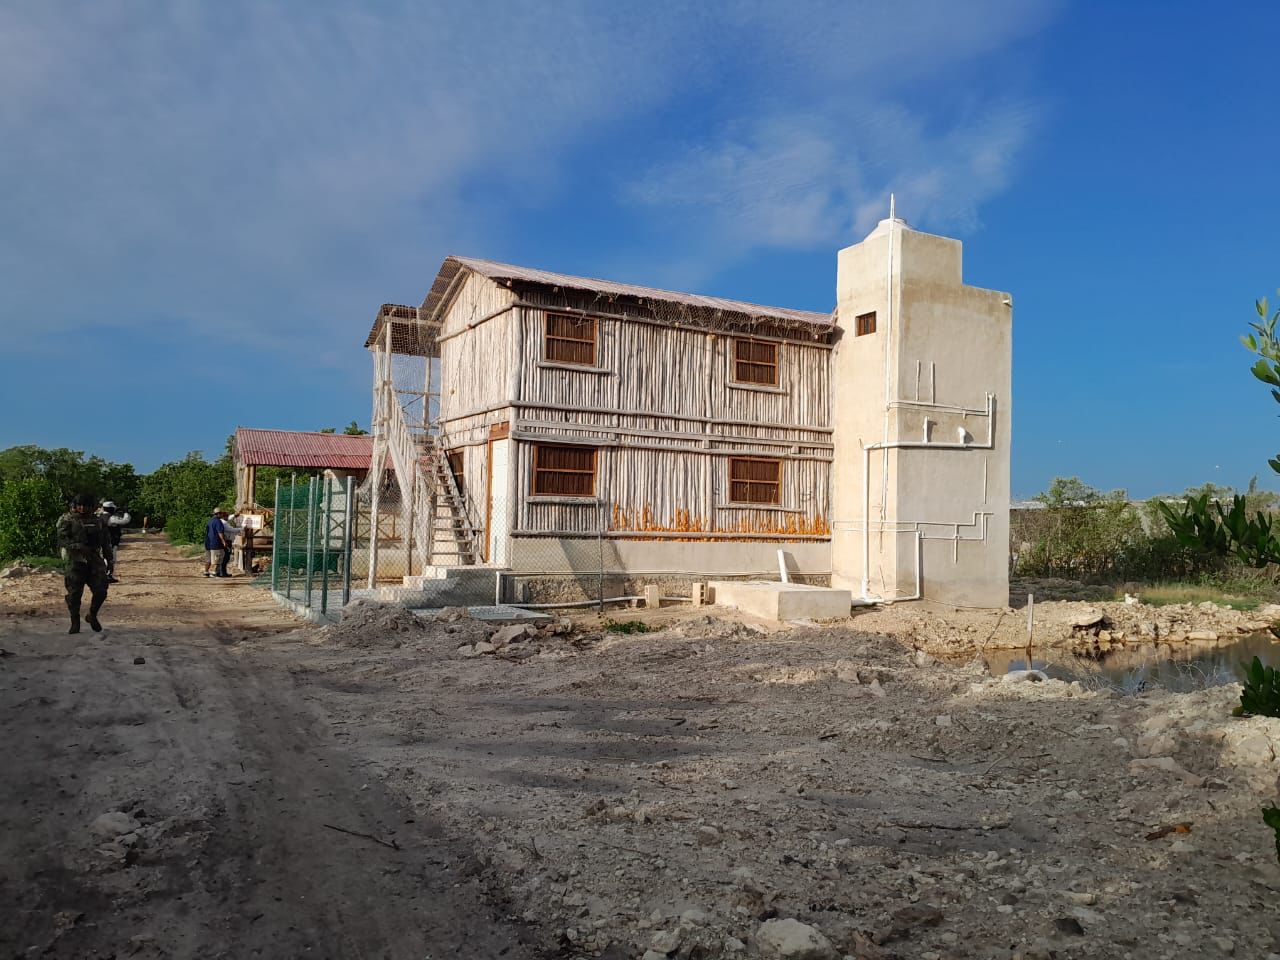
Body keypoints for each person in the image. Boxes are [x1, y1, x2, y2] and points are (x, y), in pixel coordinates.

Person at [56, 493, 111, 634]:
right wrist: (78, 546)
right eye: (79, 505)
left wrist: (109, 560)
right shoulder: (67, 520)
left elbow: (106, 542)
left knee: (101, 591)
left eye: (86, 505)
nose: (82, 508)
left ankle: (92, 615)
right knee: (74, 594)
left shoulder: (98, 521)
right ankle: (75, 621)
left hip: (94, 560)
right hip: (75, 561)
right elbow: (61, 540)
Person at [99, 501, 131, 583]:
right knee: (110, 558)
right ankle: (107, 575)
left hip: (100, 541)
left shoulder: (99, 516)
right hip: (110, 541)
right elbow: (125, 520)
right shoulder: (111, 518)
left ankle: (104, 575)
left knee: (104, 557)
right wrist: (125, 512)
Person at [204, 509, 230, 578]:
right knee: (218, 558)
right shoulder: (218, 522)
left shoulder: (210, 521)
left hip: (208, 543)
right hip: (216, 543)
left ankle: (206, 572)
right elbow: (220, 533)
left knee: (208, 559)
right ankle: (215, 572)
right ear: (219, 514)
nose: (222, 515)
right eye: (221, 513)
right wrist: (224, 541)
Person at [218, 510, 242, 578]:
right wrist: (242, 528)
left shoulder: (223, 521)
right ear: (224, 517)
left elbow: (229, 518)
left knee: (225, 557)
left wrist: (234, 515)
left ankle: (222, 572)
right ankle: (223, 572)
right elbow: (231, 529)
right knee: (226, 557)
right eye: (227, 516)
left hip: (226, 540)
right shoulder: (224, 523)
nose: (228, 517)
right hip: (227, 541)